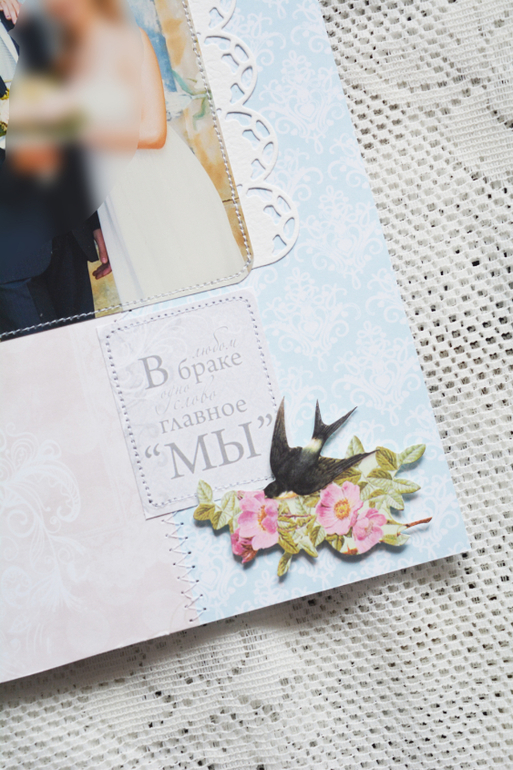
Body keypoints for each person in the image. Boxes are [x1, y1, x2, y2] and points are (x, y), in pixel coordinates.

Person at [0, 0, 112, 337]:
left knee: (87, 351)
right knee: (40, 364)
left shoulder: (24, 23)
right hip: (8, 257)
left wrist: (95, 221)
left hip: (66, 231)